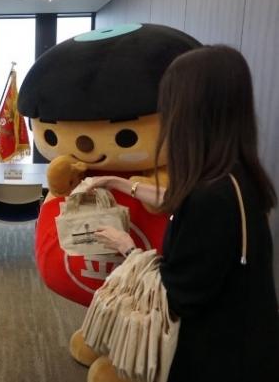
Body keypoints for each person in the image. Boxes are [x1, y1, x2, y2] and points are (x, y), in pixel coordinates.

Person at [89, 46, 279, 381]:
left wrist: (128, 249)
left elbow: (174, 297)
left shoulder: (210, 198)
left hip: (213, 358)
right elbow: (176, 201)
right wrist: (118, 182)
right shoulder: (237, 177)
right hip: (249, 345)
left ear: (191, 112)